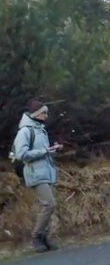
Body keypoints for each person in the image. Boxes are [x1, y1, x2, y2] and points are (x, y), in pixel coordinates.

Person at [12, 99, 62, 252]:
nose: (46, 116)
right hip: (35, 173)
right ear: (36, 114)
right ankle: (36, 237)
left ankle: (44, 239)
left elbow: (44, 151)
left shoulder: (41, 130)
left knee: (50, 206)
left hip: (47, 173)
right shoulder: (25, 131)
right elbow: (21, 154)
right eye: (43, 113)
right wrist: (45, 151)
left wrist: (53, 149)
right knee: (49, 204)